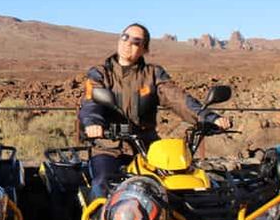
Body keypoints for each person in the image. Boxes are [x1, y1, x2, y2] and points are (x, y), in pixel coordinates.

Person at [78, 23, 231, 197]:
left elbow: (178, 99)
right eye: (125, 37)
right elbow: (91, 102)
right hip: (109, 147)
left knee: (177, 184)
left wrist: (209, 117)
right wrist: (93, 122)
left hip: (146, 147)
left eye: (136, 41)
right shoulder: (100, 73)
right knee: (104, 184)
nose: (128, 43)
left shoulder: (153, 74)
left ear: (144, 49)